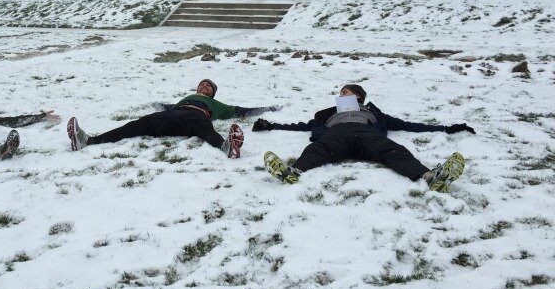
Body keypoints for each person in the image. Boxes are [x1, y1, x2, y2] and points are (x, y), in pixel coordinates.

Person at [256, 84, 474, 192]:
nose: (340, 95)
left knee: (394, 150)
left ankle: (430, 177)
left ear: (357, 96)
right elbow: (302, 126)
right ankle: (292, 172)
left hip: (366, 133)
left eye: (344, 93)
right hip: (336, 135)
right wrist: (270, 125)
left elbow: (407, 125)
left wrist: (445, 128)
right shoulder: (329, 115)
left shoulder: (374, 114)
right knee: (316, 150)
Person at [67, 79, 280, 158]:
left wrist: (268, 108)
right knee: (137, 125)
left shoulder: (216, 105)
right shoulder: (185, 98)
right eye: (202, 84)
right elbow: (166, 106)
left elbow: (241, 110)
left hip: (197, 118)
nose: (204, 86)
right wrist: (155, 104)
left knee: (206, 130)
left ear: (212, 93)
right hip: (171, 116)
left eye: (209, 86)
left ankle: (227, 148)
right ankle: (89, 141)